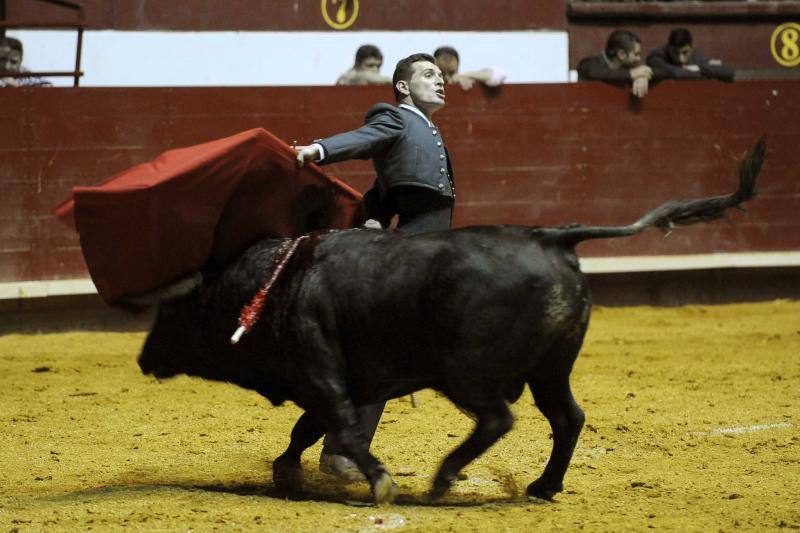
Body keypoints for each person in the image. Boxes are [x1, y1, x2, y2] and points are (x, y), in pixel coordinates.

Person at [295, 52, 454, 480]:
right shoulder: (396, 118)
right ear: (403, 86)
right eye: (428, 75)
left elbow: (387, 190)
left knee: (382, 361)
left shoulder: (424, 129)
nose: (440, 81)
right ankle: (340, 451)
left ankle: (309, 448)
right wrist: (317, 149)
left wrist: (375, 215)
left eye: (441, 76)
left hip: (426, 254)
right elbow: (361, 139)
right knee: (383, 361)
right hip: (412, 256)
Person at [577, 29, 656, 98]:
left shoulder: (628, 66)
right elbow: (593, 73)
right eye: (636, 54)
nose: (638, 58)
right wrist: (631, 74)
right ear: (622, 55)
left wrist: (642, 77)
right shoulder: (588, 65)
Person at [646, 28, 734, 82]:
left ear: (692, 47)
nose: (681, 59)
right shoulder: (656, 57)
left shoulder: (695, 54)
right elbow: (677, 74)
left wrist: (699, 68)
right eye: (676, 53)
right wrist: (708, 72)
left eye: (685, 53)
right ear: (669, 48)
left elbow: (728, 72)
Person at [433, 46, 506, 92]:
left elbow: (500, 74)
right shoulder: (427, 84)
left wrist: (467, 75)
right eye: (442, 73)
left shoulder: (465, 79)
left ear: (458, 66)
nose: (447, 78)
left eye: (451, 73)